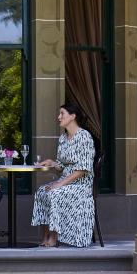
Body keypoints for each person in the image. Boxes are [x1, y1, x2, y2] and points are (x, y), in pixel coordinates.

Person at [31, 102, 97, 248]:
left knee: (54, 193)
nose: (59, 117)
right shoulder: (63, 138)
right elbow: (62, 166)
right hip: (65, 181)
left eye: (62, 114)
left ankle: (55, 237)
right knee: (42, 192)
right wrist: (52, 163)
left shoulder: (84, 137)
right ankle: (46, 235)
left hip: (81, 185)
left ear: (73, 116)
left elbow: (83, 169)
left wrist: (60, 184)